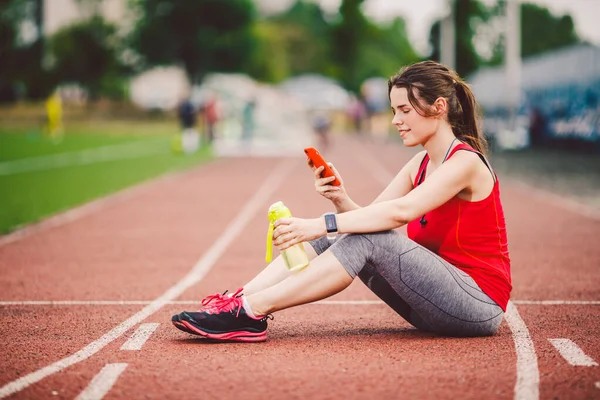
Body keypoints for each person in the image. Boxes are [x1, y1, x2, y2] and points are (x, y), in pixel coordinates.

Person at [172, 61, 512, 342]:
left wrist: (318, 223)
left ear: (438, 108)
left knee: (344, 233)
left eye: (405, 110)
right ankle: (238, 300)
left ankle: (252, 310)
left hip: (477, 305)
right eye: (394, 110)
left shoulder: (465, 162)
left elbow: (400, 213)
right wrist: (340, 199)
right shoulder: (418, 164)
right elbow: (368, 220)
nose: (396, 121)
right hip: (432, 304)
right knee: (340, 234)